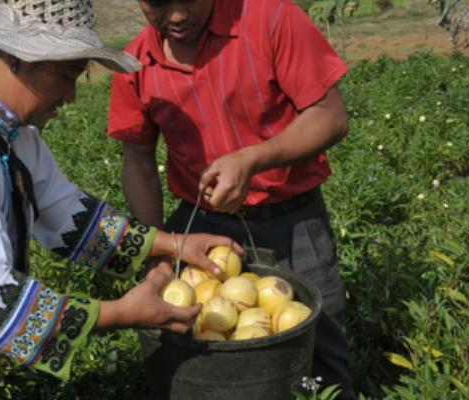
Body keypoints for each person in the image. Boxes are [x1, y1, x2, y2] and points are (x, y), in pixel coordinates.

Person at [0, 1, 242, 399]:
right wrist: (122, 314)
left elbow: (68, 217)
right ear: (16, 56)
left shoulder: (9, 132)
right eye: (66, 74)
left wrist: (174, 244)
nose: (72, 95)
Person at [107, 0, 355, 398]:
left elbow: (330, 114)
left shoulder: (272, 19)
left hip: (291, 220)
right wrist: (157, 246)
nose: (175, 16)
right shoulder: (135, 62)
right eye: (156, 2)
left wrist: (252, 159)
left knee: (316, 357)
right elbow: (137, 160)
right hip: (198, 229)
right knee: (200, 363)